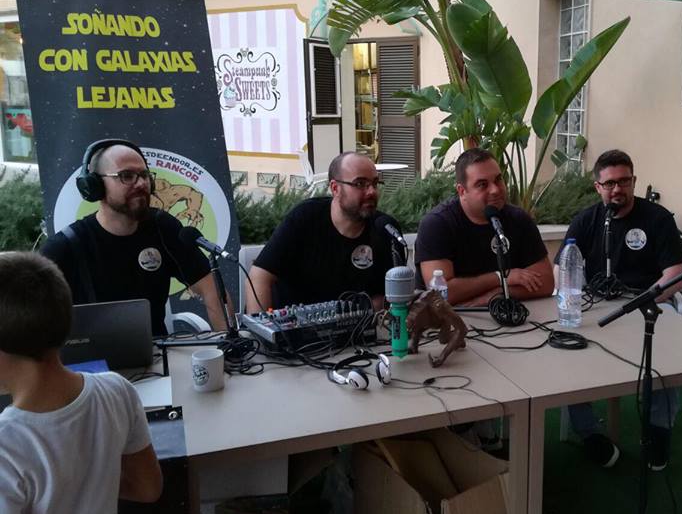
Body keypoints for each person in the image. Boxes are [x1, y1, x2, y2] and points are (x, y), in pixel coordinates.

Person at [0, 251, 163, 514]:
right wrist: (78, 490)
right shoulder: (117, 390)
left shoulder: (6, 445)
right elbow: (148, 488)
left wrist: (61, 493)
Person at [559, 149, 682, 469]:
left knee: (667, 356)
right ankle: (590, 434)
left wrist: (641, 301)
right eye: (610, 183)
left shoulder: (658, 218)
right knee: (567, 350)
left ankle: (658, 432)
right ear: (597, 187)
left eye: (624, 181)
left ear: (634, 181)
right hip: (595, 306)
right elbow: (562, 267)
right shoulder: (586, 220)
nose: (618, 189)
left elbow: (675, 276)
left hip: (648, 303)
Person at [41, 139, 228, 336]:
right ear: (94, 186)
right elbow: (35, 322)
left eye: (144, 175)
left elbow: (211, 288)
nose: (141, 184)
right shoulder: (64, 247)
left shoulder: (163, 227)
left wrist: (229, 343)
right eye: (127, 176)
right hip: (92, 356)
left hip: (157, 351)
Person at [247, 152, 396, 311]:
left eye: (375, 183)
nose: (371, 191)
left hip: (357, 325)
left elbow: (389, 296)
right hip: (292, 323)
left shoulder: (385, 228)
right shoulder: (305, 217)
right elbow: (259, 276)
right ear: (335, 188)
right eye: (360, 184)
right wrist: (262, 325)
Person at [415, 148, 555, 306]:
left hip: (504, 313)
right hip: (450, 318)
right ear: (462, 191)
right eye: (482, 184)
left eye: (498, 180)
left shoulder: (518, 219)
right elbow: (442, 294)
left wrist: (495, 295)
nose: (495, 190)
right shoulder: (437, 224)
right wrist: (500, 277)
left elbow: (546, 282)